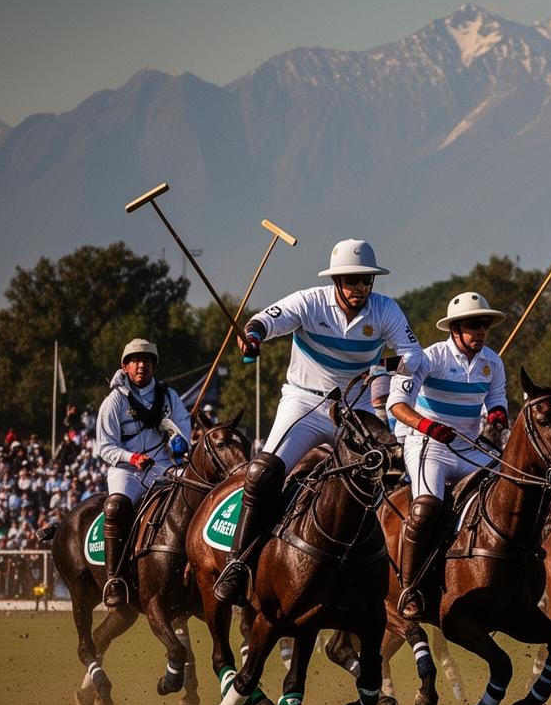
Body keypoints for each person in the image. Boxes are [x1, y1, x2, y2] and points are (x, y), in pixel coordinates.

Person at [214, 239, 426, 606]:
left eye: (365, 280)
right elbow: (266, 320)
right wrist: (253, 337)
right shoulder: (310, 301)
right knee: (262, 473)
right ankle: (238, 563)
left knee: (391, 468)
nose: (359, 288)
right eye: (351, 281)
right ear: (336, 281)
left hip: (354, 408)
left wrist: (379, 368)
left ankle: (390, 575)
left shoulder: (385, 309)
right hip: (305, 403)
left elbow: (414, 355)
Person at [386, 292, 508, 619]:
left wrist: (498, 413)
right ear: (455, 329)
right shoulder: (430, 358)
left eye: (484, 325)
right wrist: (427, 426)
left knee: (511, 488)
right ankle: (410, 588)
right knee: (426, 508)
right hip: (429, 445)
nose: (480, 331)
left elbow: (497, 398)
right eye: (473, 325)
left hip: (469, 448)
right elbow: (397, 404)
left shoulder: (492, 362)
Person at [94, 338, 192, 608]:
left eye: (147, 361)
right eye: (135, 361)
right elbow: (105, 447)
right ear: (125, 367)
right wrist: (132, 457)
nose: (141, 366)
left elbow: (184, 427)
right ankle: (115, 579)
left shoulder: (169, 397)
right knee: (115, 507)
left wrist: (180, 441)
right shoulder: (114, 401)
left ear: (154, 366)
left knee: (192, 497)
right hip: (128, 472)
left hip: (163, 467)